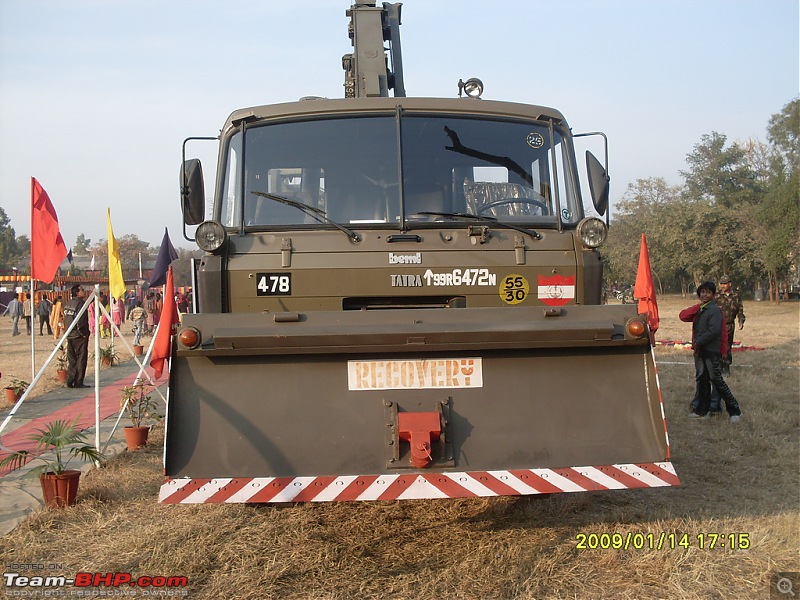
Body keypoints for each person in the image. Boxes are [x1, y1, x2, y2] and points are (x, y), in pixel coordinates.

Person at [680, 281, 742, 423]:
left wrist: (698, 341)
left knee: (716, 380)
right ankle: (702, 410)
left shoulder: (714, 310)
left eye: (708, 292)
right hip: (701, 350)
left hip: (711, 351)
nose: (705, 294)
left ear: (713, 294)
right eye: (702, 292)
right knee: (702, 380)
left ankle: (734, 410)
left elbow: (713, 331)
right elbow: (682, 316)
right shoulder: (702, 309)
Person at [716, 274, 746, 374]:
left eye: (725, 284)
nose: (723, 286)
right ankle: (718, 366)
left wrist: (741, 320)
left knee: (727, 346)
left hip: (729, 325)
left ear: (730, 284)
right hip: (717, 325)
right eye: (721, 284)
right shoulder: (716, 296)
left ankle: (726, 366)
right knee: (718, 346)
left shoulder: (736, 296)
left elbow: (740, 309)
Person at [63, 285, 91, 389]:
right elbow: (81, 321)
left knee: (72, 359)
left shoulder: (68, 303)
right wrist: (84, 333)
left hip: (69, 334)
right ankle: (79, 381)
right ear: (77, 293)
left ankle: (70, 380)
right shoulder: (81, 304)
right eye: (82, 290)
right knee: (81, 359)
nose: (84, 291)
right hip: (78, 336)